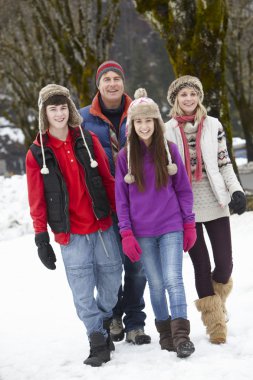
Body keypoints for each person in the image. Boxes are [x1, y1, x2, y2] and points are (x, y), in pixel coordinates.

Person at [26, 84, 122, 367]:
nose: (59, 113)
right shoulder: (37, 153)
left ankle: (104, 319)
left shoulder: (87, 139)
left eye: (63, 107)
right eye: (53, 109)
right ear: (45, 113)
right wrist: (41, 237)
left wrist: (123, 219)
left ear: (70, 109)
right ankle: (96, 338)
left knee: (112, 283)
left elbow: (108, 180)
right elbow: (37, 199)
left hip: (102, 225)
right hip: (71, 234)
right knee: (82, 292)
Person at [115, 88, 196, 358]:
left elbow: (184, 190)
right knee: (156, 283)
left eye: (148, 120)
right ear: (131, 126)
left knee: (174, 279)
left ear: (156, 123)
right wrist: (126, 233)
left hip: (171, 226)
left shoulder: (169, 151)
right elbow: (121, 200)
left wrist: (189, 224)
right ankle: (165, 333)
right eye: (138, 121)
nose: (144, 126)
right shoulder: (124, 158)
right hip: (142, 232)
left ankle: (182, 335)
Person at [165, 75, 247, 344]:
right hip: (184, 207)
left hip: (215, 200)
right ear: (175, 99)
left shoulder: (213, 125)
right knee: (202, 265)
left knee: (224, 263)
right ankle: (216, 325)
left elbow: (224, 162)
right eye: (183, 94)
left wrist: (236, 190)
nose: (189, 98)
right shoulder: (166, 130)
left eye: (193, 94)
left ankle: (217, 304)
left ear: (199, 97)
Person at [79, 61, 151, 345]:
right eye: (106, 79)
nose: (112, 84)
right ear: (98, 84)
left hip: (140, 205)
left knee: (137, 266)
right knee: (110, 268)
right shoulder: (83, 118)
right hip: (104, 205)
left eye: (116, 78)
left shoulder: (140, 112)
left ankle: (135, 322)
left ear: (124, 82)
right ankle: (112, 317)